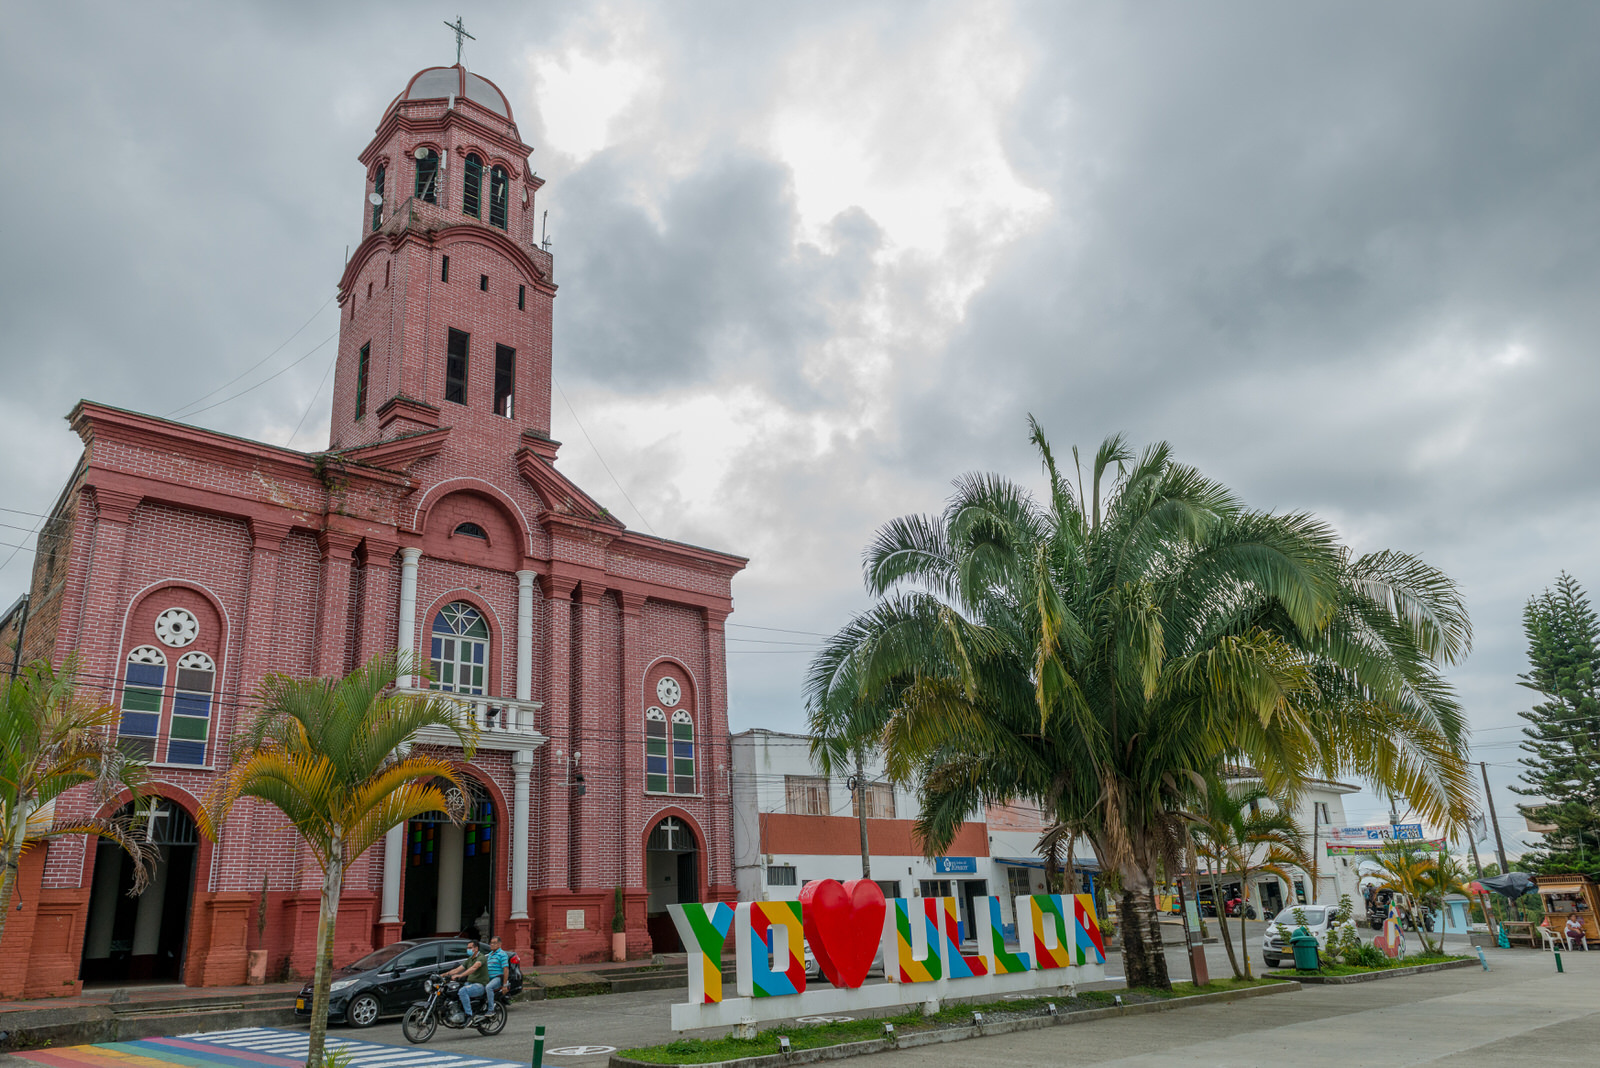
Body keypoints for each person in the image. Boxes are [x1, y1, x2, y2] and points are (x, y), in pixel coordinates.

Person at [443, 939, 489, 1022]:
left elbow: (474, 968)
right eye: (467, 948)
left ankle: (469, 1015)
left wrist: (460, 975)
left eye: (470, 947)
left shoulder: (481, 957)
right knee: (454, 990)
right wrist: (443, 975)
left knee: (463, 991)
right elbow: (457, 969)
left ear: (476, 948)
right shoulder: (470, 959)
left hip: (480, 985)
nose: (468, 949)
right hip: (470, 983)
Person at [483, 935, 511, 1012]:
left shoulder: (502, 954)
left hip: (498, 978)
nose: (492, 944)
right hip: (489, 978)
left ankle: (491, 1009)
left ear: (499, 944)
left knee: (489, 987)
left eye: (494, 943)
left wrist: (504, 985)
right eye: (491, 943)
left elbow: (506, 969)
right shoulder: (490, 954)